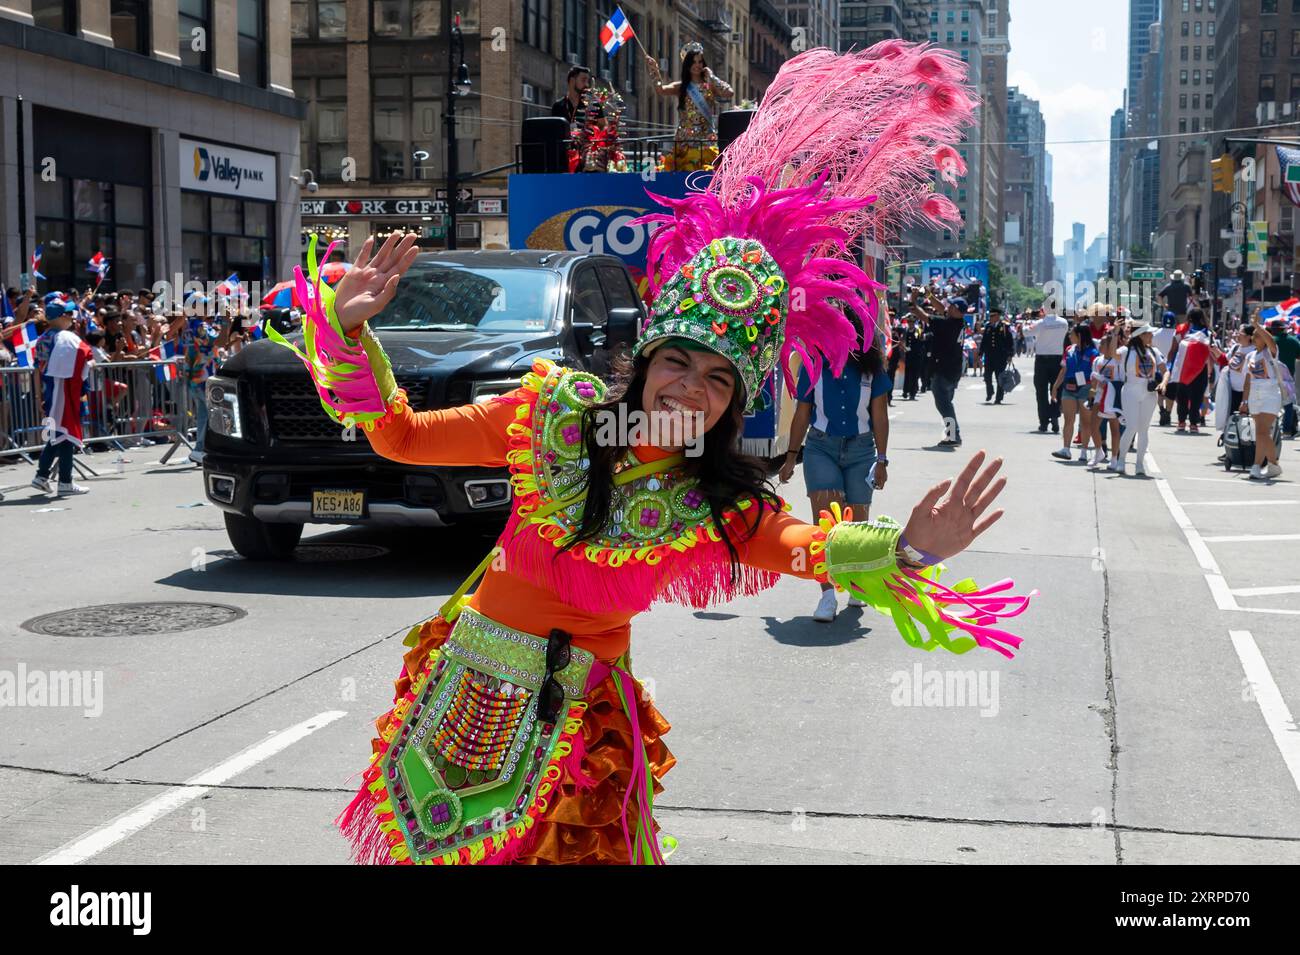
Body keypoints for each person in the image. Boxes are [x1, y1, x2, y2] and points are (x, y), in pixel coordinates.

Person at [278, 44, 1030, 867]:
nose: (688, 390)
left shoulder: (717, 503)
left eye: (716, 380)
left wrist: (909, 546)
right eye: (677, 361)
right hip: (470, 701)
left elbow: (805, 548)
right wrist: (351, 332)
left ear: (733, 403)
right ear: (643, 361)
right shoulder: (550, 414)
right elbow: (402, 436)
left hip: (583, 734)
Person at [780, 324, 893, 622]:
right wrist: (792, 457)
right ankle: (827, 595)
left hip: (861, 451)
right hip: (820, 449)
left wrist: (882, 460)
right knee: (826, 525)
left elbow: (879, 416)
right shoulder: (813, 365)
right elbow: (802, 413)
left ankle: (855, 582)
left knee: (856, 526)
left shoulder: (872, 369)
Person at [29, 301, 94, 496]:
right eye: (67, 314)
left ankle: (42, 476)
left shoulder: (41, 339)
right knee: (65, 435)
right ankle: (64, 481)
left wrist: (39, 396)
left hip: (51, 390)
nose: (71, 318)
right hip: (63, 390)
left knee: (58, 435)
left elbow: (37, 370)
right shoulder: (63, 337)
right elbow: (84, 357)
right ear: (57, 317)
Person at [646, 43, 734, 171]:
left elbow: (729, 92)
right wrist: (655, 72)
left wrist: (712, 77)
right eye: (693, 62)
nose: (697, 65)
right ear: (687, 64)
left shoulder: (710, 86)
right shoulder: (681, 87)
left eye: (700, 62)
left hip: (706, 143)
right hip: (684, 143)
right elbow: (661, 90)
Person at [1111, 322, 1167, 477]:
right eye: (1148, 333)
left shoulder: (1154, 351)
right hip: (1131, 390)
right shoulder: (1126, 351)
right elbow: (1112, 354)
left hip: (1149, 393)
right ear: (1140, 335)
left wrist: (1163, 382)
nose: (1151, 335)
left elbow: (1165, 371)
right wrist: (1116, 333)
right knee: (1131, 427)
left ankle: (1139, 464)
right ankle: (1121, 460)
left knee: (1144, 429)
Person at [912, 291, 966, 446]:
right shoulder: (959, 321)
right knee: (947, 403)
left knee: (944, 405)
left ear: (956, 309)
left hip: (943, 370)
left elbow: (923, 316)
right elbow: (943, 308)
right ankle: (953, 433)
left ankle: (953, 435)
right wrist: (929, 295)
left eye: (951, 306)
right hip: (953, 369)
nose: (947, 307)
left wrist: (913, 300)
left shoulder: (947, 324)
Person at [1240, 324, 1285, 479]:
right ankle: (1273, 464)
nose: (1255, 337)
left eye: (1258, 335)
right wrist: (1244, 401)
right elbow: (1247, 380)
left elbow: (1271, 340)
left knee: (1262, 431)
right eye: (1254, 334)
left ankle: (1256, 465)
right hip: (1254, 395)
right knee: (1261, 433)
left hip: (1270, 394)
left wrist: (1258, 325)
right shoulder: (1249, 356)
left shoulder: (1271, 352)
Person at [1051, 324, 1098, 463]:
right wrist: (1055, 386)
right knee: (1068, 419)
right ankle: (1066, 449)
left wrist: (1093, 390)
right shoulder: (1069, 350)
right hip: (1068, 386)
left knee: (1085, 421)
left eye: (1072, 334)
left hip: (1085, 387)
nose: (1069, 336)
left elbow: (1096, 373)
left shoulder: (1093, 353)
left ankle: (1084, 451)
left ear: (1080, 336)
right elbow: (1063, 369)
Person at [1169, 307, 1212, 434]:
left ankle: (1181, 422)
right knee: (1196, 397)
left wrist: (1171, 368)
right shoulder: (1208, 333)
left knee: (1182, 395)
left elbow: (1173, 350)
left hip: (1183, 367)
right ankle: (1193, 424)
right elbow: (1210, 353)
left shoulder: (1181, 330)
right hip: (1200, 370)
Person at [1088, 327, 1124, 468]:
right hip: (1099, 396)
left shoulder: (1118, 362)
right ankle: (1099, 451)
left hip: (1113, 398)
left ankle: (1114, 458)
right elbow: (1094, 380)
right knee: (1093, 426)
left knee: (1114, 429)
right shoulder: (1097, 360)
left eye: (1103, 344)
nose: (1100, 346)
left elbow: (1121, 381)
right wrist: (1091, 395)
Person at [1029, 306, 1069, 433]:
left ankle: (1044, 422)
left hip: (1042, 360)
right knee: (1056, 390)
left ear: (1044, 310)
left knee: (1041, 392)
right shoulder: (1064, 322)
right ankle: (1055, 416)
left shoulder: (1040, 323)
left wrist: (1035, 320)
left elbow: (1026, 331)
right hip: (1057, 359)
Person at [1267, 317, 1300, 437]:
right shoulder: (1293, 341)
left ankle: (1270, 427)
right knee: (1289, 405)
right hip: (1287, 377)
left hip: (1271, 376)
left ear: (1273, 330)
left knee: (1270, 403)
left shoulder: (1271, 341)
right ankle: (1287, 430)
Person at [980, 307, 1015, 404]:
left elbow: (1010, 341)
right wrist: (981, 352)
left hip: (1000, 356)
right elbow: (984, 341)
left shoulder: (1004, 327)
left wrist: (1010, 354)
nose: (990, 318)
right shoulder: (988, 326)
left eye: (993, 316)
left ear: (998, 316)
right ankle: (990, 391)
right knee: (987, 376)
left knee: (999, 377)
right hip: (989, 356)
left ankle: (999, 398)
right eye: (990, 316)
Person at [1152, 310, 1179, 426]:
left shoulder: (1156, 333)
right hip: (1172, 367)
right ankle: (1167, 412)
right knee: (1171, 393)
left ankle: (1161, 409)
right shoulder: (1176, 334)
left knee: (1160, 392)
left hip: (1159, 367)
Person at [550, 65, 591, 130]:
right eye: (583, 80)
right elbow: (554, 131)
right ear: (572, 81)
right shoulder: (558, 106)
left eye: (587, 81)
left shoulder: (591, 106)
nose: (587, 85)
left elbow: (603, 127)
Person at [901, 311, 926, 400]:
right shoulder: (906, 330)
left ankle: (913, 392)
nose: (910, 323)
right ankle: (905, 391)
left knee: (915, 375)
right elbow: (903, 340)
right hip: (908, 356)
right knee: (907, 374)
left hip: (916, 356)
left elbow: (921, 342)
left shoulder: (918, 330)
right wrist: (905, 348)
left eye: (912, 322)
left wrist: (913, 348)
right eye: (909, 322)